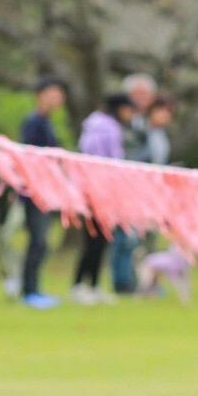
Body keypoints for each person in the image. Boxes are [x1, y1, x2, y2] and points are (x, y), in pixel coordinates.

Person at [70, 93, 134, 305]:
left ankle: (94, 285)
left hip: (107, 191)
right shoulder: (102, 127)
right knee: (93, 241)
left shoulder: (108, 127)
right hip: (95, 191)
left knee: (103, 240)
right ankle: (79, 285)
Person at [16, 76, 70, 310]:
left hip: (46, 192)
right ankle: (29, 290)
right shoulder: (34, 123)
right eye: (52, 93)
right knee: (37, 241)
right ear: (41, 96)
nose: (57, 99)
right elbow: (29, 158)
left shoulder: (47, 123)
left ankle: (34, 288)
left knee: (41, 242)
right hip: (33, 192)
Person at [111, 73, 162, 295]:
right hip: (126, 187)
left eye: (146, 95)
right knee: (125, 239)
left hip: (151, 189)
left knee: (147, 239)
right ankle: (124, 282)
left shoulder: (154, 123)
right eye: (137, 95)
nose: (141, 99)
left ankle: (147, 283)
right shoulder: (121, 125)